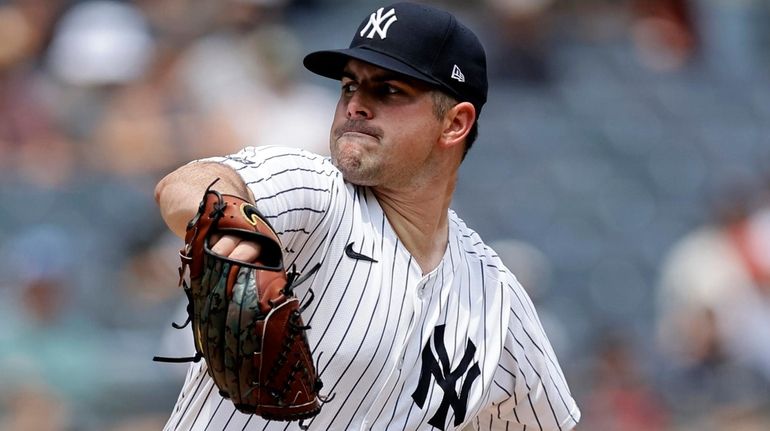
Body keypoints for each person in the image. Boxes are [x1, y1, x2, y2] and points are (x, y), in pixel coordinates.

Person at [154, 2, 580, 430]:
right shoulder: (317, 192)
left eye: (388, 90)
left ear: (454, 124)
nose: (356, 104)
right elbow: (186, 186)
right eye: (348, 87)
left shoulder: (496, 303)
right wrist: (231, 222)